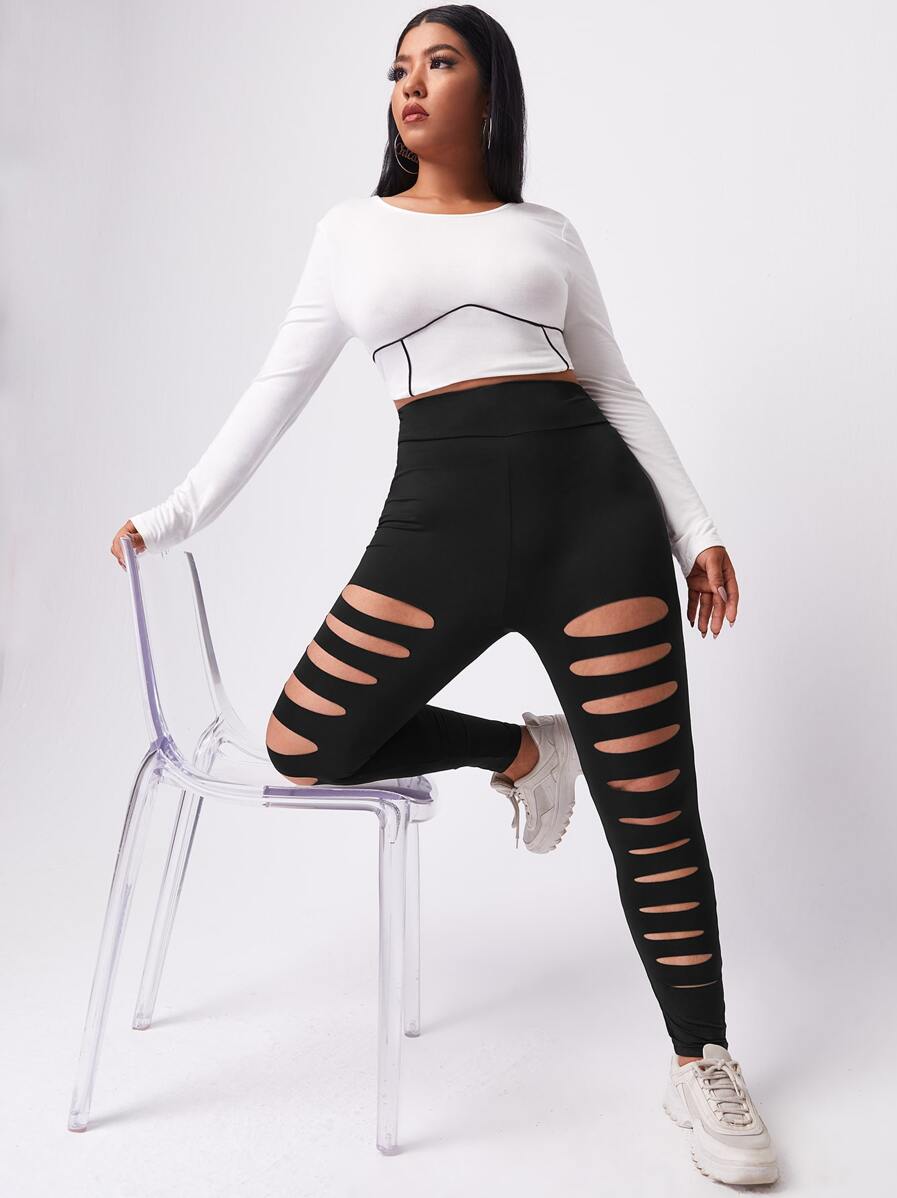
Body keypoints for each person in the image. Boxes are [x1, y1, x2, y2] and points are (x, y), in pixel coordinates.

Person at [110, 7, 777, 1185]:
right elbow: (275, 391)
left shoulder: (546, 231)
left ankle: (703, 1060)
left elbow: (617, 386)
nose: (409, 84)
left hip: (597, 522)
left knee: (654, 807)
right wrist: (173, 515)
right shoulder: (350, 232)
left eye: (439, 61)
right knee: (305, 739)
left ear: (490, 90)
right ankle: (523, 751)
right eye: (398, 69)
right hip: (438, 533)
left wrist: (698, 530)